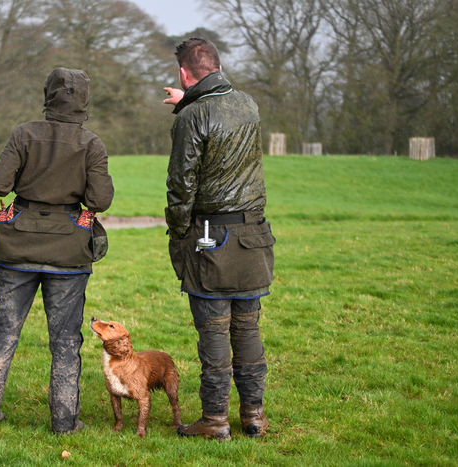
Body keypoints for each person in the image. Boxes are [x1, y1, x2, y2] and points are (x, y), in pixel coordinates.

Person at [0, 67, 114, 434]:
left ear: (48, 96)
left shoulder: (24, 133)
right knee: (66, 341)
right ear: (84, 101)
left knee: (2, 333)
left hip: (17, 245)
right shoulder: (91, 144)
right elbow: (100, 199)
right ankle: (65, 421)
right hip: (68, 249)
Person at [163, 38, 275, 439]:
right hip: (254, 237)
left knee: (213, 331)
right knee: (247, 329)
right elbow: (219, 123)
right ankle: (254, 415)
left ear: (183, 72)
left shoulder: (191, 118)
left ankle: (214, 420)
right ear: (218, 65)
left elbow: (181, 186)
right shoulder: (248, 104)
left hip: (212, 236)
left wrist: (178, 233)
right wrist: (186, 102)